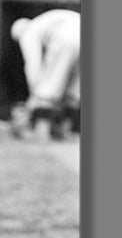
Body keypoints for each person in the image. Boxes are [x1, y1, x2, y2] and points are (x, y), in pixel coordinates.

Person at [10, 9, 81, 140]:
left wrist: (36, 92)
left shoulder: (28, 31)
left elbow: (33, 64)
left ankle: (43, 132)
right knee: (75, 90)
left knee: (49, 89)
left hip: (66, 38)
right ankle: (65, 131)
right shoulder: (45, 21)